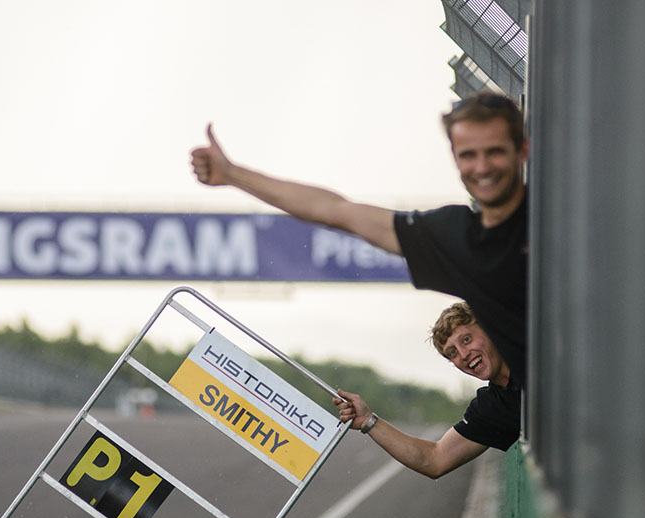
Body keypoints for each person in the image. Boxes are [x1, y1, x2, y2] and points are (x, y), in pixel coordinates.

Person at [190, 90, 530, 390]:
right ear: (456, 159)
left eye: (494, 152)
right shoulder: (455, 235)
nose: (482, 167)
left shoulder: (552, 218)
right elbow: (335, 210)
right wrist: (233, 174)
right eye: (468, 155)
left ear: (523, 150)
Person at [333, 302, 521, 479]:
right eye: (453, 353)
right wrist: (368, 421)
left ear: (488, 329)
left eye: (466, 339)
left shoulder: (531, 351)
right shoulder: (492, 407)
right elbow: (434, 458)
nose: (464, 354)